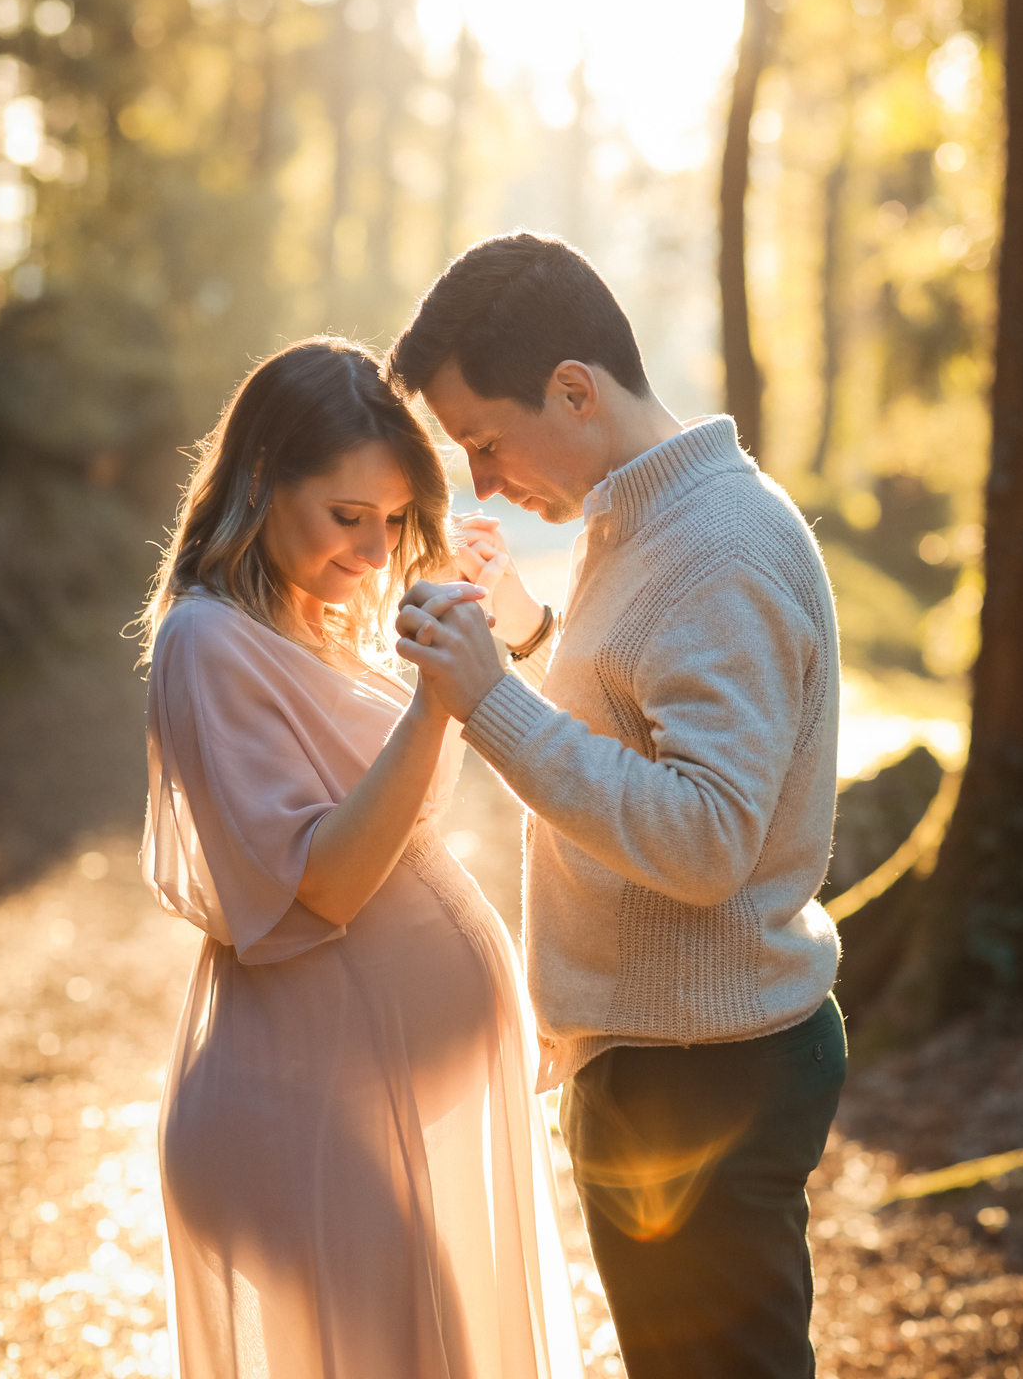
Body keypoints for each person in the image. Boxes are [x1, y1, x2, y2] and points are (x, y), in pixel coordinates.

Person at [387, 233, 846, 1379]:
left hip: (705, 1076)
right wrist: (528, 630)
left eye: (484, 442)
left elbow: (705, 836)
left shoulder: (720, 547)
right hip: (665, 1058)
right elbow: (642, 718)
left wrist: (492, 704)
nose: (481, 482)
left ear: (574, 390)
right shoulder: (645, 520)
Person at [138, 336, 582, 1379]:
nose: (377, 555)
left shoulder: (310, 621)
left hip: (358, 1107)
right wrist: (436, 701)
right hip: (303, 1119)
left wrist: (476, 608)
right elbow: (327, 881)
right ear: (261, 476)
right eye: (348, 516)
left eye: (394, 520)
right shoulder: (208, 642)